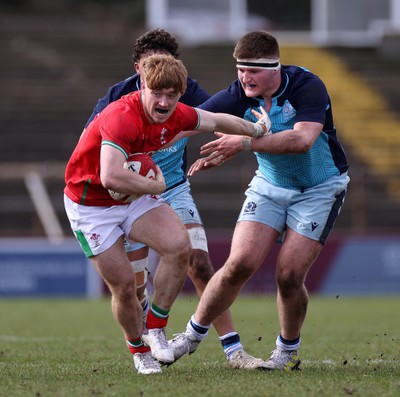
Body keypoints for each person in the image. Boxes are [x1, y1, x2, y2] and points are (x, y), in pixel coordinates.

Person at [64, 53, 270, 375]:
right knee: (124, 287)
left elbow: (215, 120)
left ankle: (156, 328)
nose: (163, 102)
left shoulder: (176, 114)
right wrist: (156, 184)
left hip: (133, 197)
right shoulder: (121, 116)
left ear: (180, 94)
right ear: (142, 86)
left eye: (172, 96)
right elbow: (110, 177)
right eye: (157, 94)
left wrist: (256, 130)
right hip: (91, 205)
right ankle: (139, 350)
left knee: (180, 247)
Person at [168, 31, 350, 371]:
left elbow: (302, 140)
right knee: (238, 265)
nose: (244, 78)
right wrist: (137, 143)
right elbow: (186, 122)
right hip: (269, 186)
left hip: (319, 189)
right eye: (240, 69)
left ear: (274, 68)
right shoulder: (239, 94)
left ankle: (285, 351)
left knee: (289, 273)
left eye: (253, 70)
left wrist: (243, 144)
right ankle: (191, 337)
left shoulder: (306, 86)